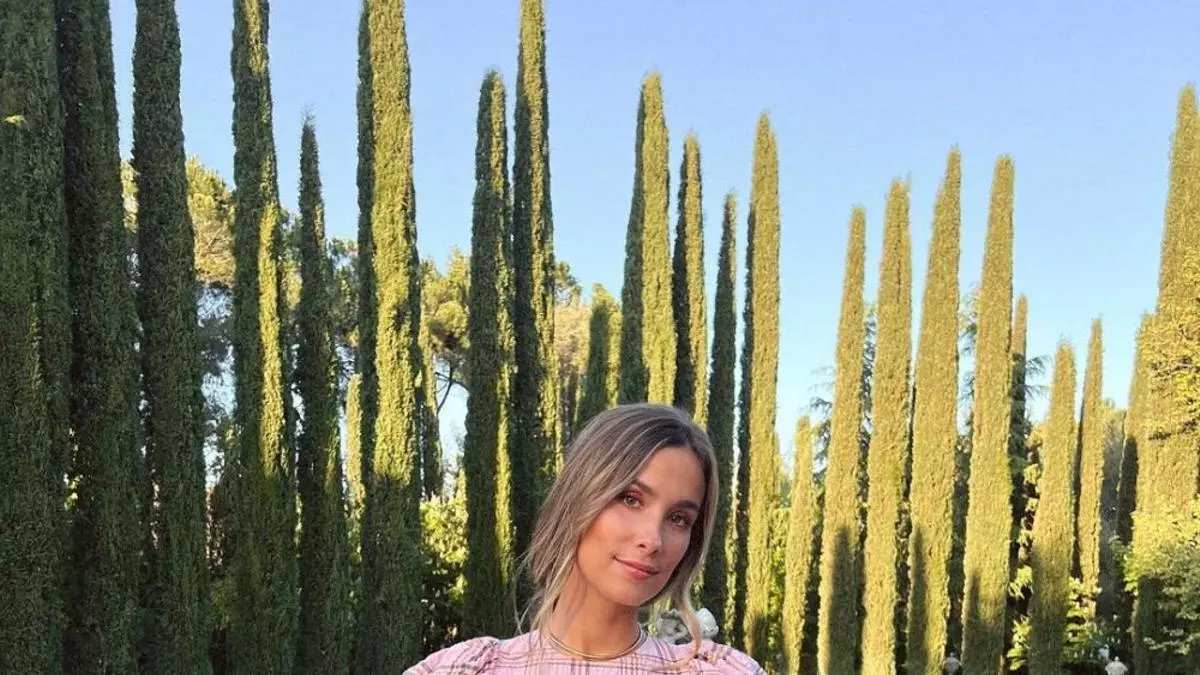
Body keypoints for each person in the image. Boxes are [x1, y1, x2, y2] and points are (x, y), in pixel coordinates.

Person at [405, 403, 766, 673]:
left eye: (678, 518)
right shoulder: (465, 669)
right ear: (577, 497)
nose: (652, 539)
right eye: (630, 499)